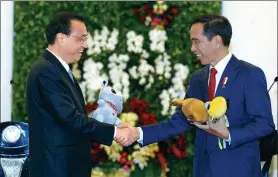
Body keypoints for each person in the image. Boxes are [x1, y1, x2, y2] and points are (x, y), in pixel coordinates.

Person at [116, 14, 275, 177]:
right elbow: (179, 121)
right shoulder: (198, 78)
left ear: (217, 41)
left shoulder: (249, 74)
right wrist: (137, 133)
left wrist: (227, 133)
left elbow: (265, 124)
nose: (192, 48)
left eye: (196, 41)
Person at [26, 12, 134, 177]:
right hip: (56, 168)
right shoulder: (46, 71)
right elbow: (70, 118)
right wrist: (114, 132)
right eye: (80, 39)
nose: (85, 45)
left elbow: (66, 117)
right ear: (61, 38)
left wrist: (101, 119)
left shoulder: (57, 69)